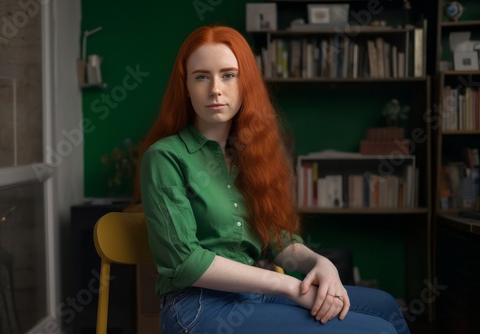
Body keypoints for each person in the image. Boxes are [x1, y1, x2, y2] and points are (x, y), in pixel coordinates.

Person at [135, 25, 410, 334]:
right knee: (378, 331)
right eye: (201, 76)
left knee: (385, 306)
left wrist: (322, 265)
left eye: (228, 75)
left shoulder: (250, 154)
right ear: (185, 86)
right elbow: (185, 262)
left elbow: (276, 239)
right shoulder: (164, 157)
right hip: (197, 308)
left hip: (251, 297)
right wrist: (288, 286)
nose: (215, 88)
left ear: (246, 84)